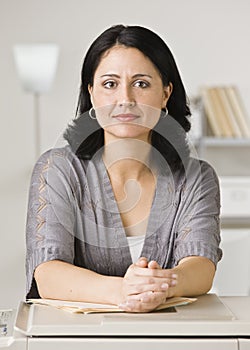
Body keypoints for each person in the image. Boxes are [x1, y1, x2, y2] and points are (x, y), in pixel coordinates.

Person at [26, 24, 222, 313]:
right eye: (110, 84)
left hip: (171, 336)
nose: (125, 99)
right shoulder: (56, 169)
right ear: (91, 93)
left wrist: (163, 283)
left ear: (165, 93)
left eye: (141, 84)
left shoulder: (196, 178)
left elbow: (201, 266)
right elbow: (47, 273)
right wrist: (125, 291)